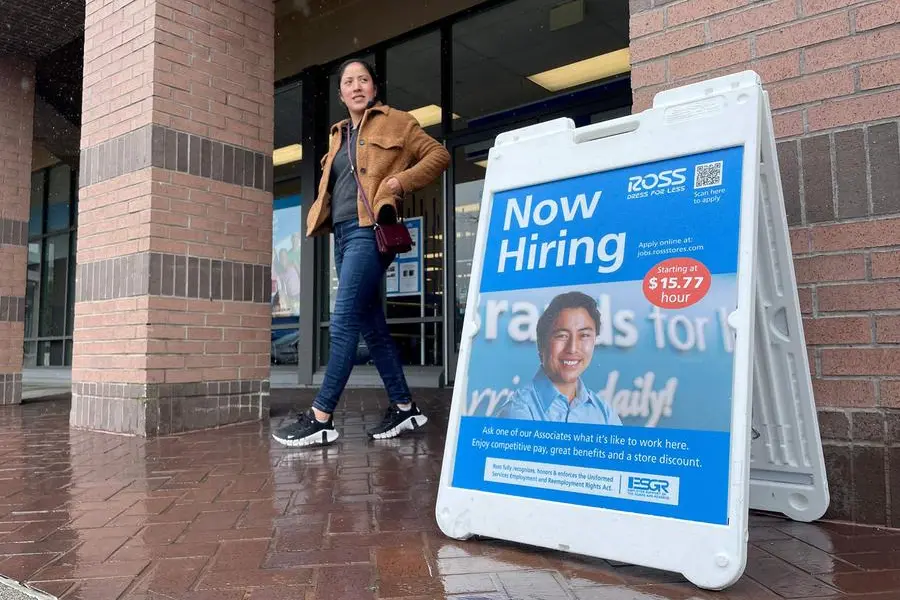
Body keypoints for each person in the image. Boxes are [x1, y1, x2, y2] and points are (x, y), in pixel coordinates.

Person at [273, 58, 450, 448]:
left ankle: (321, 417)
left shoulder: (397, 122)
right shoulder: (339, 135)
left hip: (370, 232)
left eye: (363, 80)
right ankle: (404, 407)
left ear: (374, 88)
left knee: (343, 322)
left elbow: (439, 156)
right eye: (348, 82)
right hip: (341, 234)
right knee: (372, 327)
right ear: (340, 94)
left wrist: (398, 183)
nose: (356, 86)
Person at [496, 291, 622, 425]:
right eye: (562, 336)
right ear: (541, 344)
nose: (572, 348)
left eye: (584, 335)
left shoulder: (605, 414)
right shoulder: (518, 413)